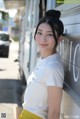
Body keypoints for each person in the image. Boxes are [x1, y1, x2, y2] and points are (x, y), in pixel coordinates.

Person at [19, 9, 64, 119]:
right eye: (39, 33)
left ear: (59, 39)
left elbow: (54, 112)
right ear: (34, 35)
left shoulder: (53, 67)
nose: (43, 39)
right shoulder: (44, 59)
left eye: (49, 34)